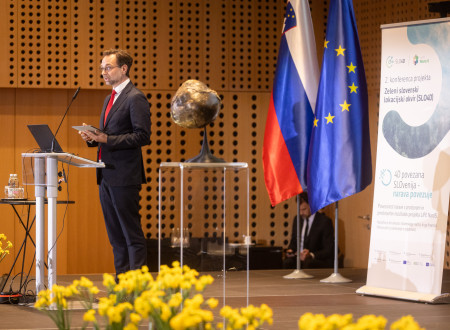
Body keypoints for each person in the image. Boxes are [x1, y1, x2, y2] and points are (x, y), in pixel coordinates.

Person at [79, 49, 151, 278]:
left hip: (125, 176)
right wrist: (94, 138)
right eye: (102, 68)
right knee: (115, 236)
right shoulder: (109, 98)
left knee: (131, 234)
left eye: (108, 67)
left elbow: (142, 136)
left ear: (123, 69)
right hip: (106, 174)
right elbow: (108, 136)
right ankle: (122, 286)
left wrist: (106, 138)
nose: (103, 72)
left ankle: (136, 287)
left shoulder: (135, 97)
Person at [283, 192, 334, 269]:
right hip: (298, 257)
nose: (301, 213)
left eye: (304, 209)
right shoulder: (297, 219)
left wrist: (310, 254)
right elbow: (293, 241)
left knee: (308, 263)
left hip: (315, 258)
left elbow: (328, 249)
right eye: (299, 210)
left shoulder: (324, 222)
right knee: (287, 262)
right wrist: (290, 250)